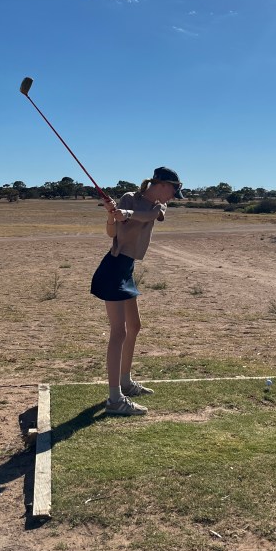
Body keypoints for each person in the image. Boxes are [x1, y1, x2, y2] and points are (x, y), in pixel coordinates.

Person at [90, 166, 184, 416]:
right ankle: (114, 400)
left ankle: (125, 382)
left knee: (134, 326)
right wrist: (112, 215)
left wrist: (126, 214)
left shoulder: (158, 206)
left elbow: (148, 215)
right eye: (173, 191)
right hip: (114, 266)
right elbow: (112, 233)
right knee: (119, 331)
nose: (173, 197)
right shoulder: (128, 198)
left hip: (127, 268)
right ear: (162, 185)